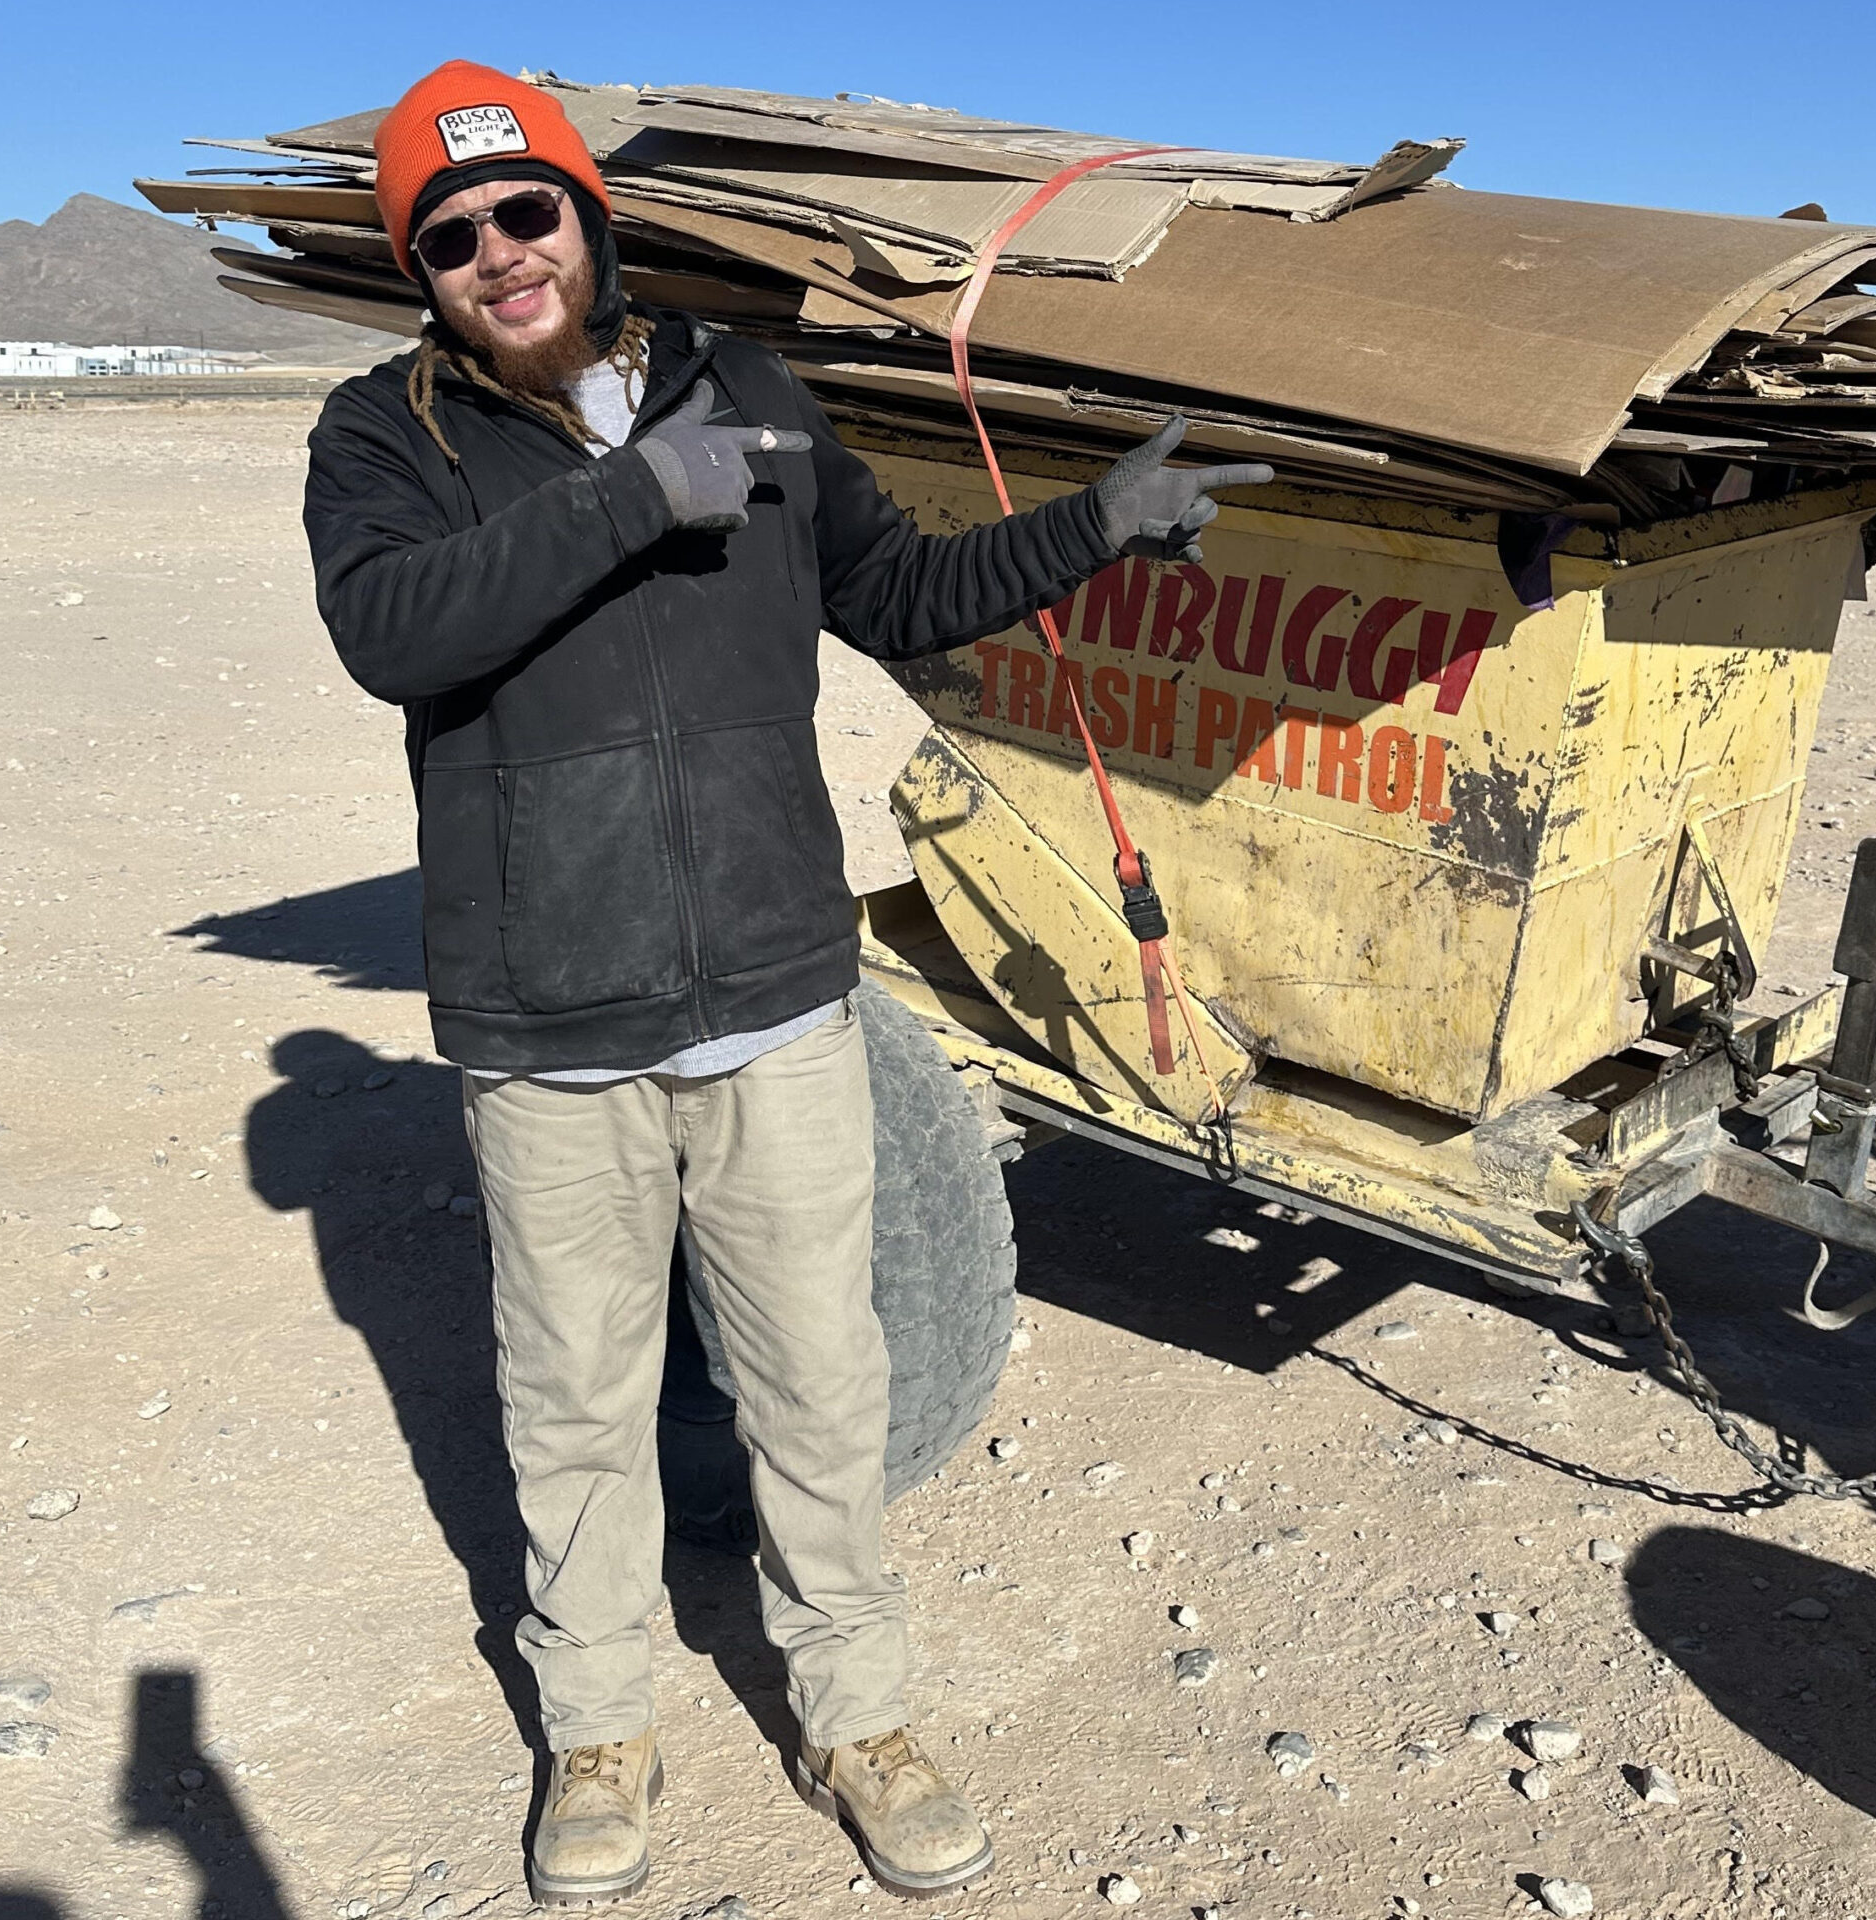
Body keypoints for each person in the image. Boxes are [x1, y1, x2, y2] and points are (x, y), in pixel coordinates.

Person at [301, 60, 1271, 1909]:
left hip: (775, 996)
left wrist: (1097, 521)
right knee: (575, 1399)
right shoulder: (385, 437)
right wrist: (619, 502)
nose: (502, 254)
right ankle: (597, 1729)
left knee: (820, 1385)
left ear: (586, 214)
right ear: (420, 271)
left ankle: (862, 1716)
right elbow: (390, 632)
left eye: (528, 211)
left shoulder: (740, 388)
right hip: (549, 1025)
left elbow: (891, 593)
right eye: (454, 235)